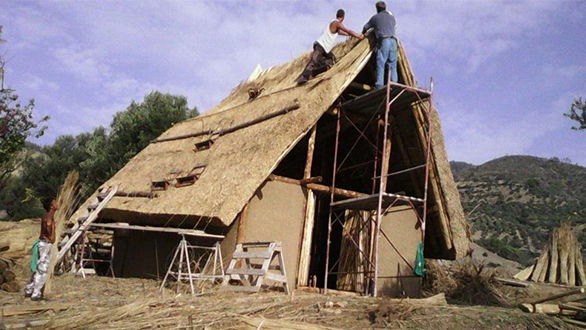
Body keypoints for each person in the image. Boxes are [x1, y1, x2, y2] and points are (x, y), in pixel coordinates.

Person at [296, 9, 363, 84]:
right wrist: (358, 36)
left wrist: (350, 35)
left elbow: (344, 33)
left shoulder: (335, 26)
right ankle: (302, 78)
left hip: (325, 49)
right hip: (320, 45)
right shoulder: (336, 23)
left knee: (331, 60)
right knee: (314, 61)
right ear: (343, 17)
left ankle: (313, 73)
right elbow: (348, 31)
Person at [24, 199, 58, 301]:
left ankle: (29, 290)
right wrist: (51, 237)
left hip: (42, 243)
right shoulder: (49, 216)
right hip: (45, 244)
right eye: (55, 202)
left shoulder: (45, 215)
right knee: (42, 269)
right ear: (52, 206)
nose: (57, 204)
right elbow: (48, 225)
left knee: (39, 268)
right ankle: (36, 294)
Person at [363, 1, 398, 88]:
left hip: (384, 40)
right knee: (392, 64)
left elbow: (365, 27)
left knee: (381, 62)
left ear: (377, 9)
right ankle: (394, 83)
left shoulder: (375, 18)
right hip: (393, 41)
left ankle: (379, 85)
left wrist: (363, 34)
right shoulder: (392, 18)